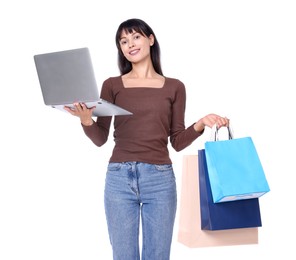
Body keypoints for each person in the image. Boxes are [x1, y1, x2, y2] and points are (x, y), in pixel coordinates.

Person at [64, 18, 229, 260]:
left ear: (150, 39)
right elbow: (100, 138)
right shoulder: (111, 85)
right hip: (119, 179)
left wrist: (201, 124)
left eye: (136, 37)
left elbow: (177, 140)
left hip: (159, 180)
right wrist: (86, 120)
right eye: (123, 41)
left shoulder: (174, 87)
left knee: (158, 256)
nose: (130, 44)